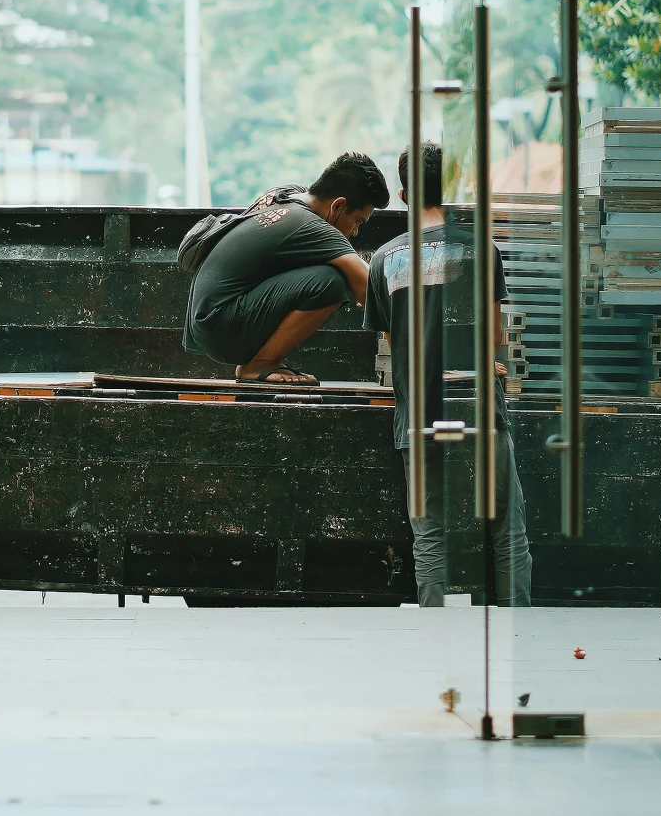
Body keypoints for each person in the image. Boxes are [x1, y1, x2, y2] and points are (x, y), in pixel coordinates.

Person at [362, 142, 531, 608]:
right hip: (479, 407)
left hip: (418, 412)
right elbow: (494, 330)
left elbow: (394, 344)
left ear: (401, 194)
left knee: (430, 533)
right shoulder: (482, 249)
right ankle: (520, 623)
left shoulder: (382, 260)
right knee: (507, 530)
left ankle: (432, 631)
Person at [183, 152, 389, 386]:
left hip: (207, 321)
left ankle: (259, 360)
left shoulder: (285, 194)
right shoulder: (311, 225)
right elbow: (371, 290)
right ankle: (260, 364)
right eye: (358, 222)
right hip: (222, 327)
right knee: (332, 281)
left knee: (332, 269)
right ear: (338, 205)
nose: (355, 233)